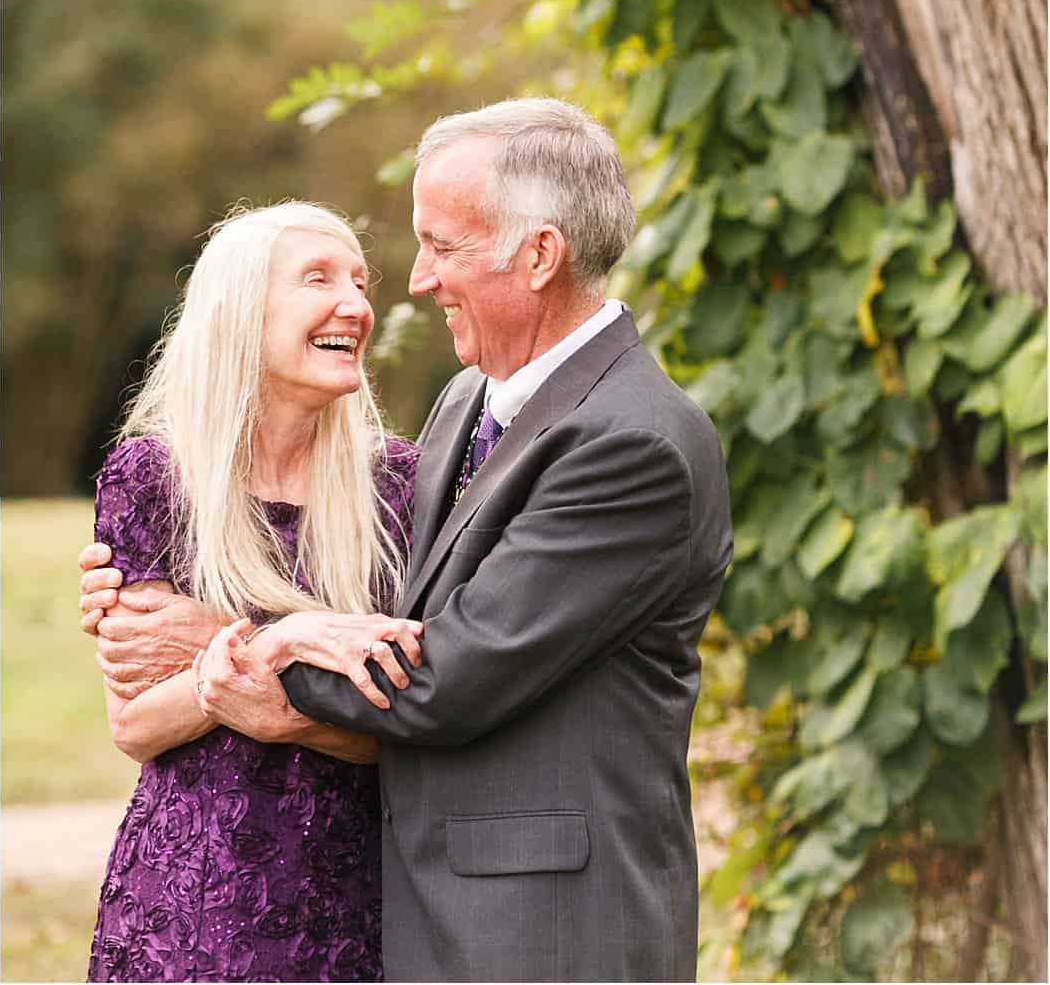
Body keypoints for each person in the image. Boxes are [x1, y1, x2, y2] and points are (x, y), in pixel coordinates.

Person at [81, 100, 733, 983]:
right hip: (400, 902)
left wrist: (225, 640)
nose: (416, 282)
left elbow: (442, 676)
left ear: (538, 255)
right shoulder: (466, 407)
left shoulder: (632, 442)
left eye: (444, 246)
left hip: (548, 931)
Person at [80, 201, 423, 984]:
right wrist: (272, 645)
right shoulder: (154, 477)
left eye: (360, 282)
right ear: (240, 313)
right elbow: (135, 722)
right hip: (197, 895)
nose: (357, 304)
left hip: (361, 891)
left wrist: (245, 667)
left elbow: (414, 712)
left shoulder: (401, 484)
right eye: (318, 279)